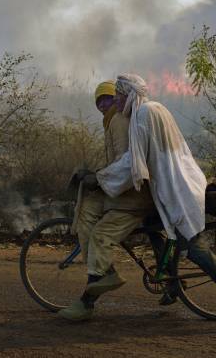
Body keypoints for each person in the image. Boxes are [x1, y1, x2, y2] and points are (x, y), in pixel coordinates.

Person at [90, 74, 216, 334]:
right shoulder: (154, 108)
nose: (115, 101)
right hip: (179, 184)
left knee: (194, 248)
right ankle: (170, 281)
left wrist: (100, 178)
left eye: (118, 96)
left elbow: (132, 164)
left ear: (129, 94)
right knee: (151, 225)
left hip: (177, 192)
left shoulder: (142, 117)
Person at [59, 80, 166, 322]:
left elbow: (127, 162)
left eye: (107, 99)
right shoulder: (114, 120)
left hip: (133, 196)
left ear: (120, 99)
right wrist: (99, 176)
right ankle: (167, 281)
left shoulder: (118, 120)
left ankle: (92, 292)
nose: (102, 105)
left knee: (99, 235)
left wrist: (98, 178)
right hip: (132, 192)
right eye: (98, 101)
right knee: (94, 214)